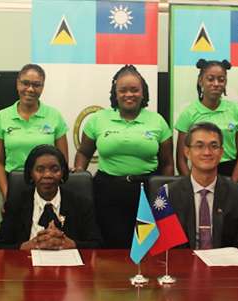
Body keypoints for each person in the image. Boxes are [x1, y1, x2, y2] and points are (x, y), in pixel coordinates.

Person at [74, 65, 173, 248]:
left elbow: (167, 163)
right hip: (106, 191)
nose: (129, 94)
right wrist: (80, 174)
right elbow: (83, 153)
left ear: (143, 93)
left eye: (134, 90)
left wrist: (164, 194)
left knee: (144, 247)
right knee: (110, 249)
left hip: (147, 192)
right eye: (123, 90)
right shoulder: (98, 119)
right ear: (115, 93)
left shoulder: (157, 120)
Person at [0, 145, 101, 249]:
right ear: (31, 173)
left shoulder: (81, 204)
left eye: (55, 169)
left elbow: (97, 244)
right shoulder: (16, 203)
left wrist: (72, 244)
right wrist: (26, 246)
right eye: (40, 170)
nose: (48, 175)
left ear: (63, 172)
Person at [167, 122, 238, 249]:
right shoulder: (169, 195)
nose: (207, 152)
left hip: (225, 261)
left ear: (221, 152)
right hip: (183, 261)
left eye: (214, 146)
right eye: (199, 146)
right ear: (187, 152)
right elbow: (165, 250)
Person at [0, 64, 69, 201]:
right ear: (17, 84)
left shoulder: (55, 116)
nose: (30, 89)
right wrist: (7, 194)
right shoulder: (2, 116)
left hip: (47, 185)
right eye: (25, 83)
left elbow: (63, 161)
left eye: (36, 85)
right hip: (14, 183)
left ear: (42, 87)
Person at [175, 59, 238, 181]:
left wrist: (232, 184)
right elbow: (181, 160)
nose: (216, 84)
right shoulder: (188, 114)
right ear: (201, 81)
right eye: (210, 79)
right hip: (199, 175)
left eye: (221, 80)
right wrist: (192, 185)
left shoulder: (236, 111)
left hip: (232, 175)